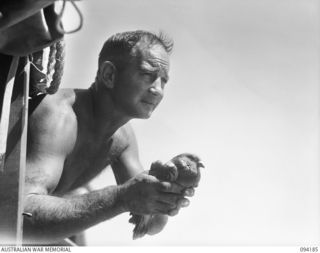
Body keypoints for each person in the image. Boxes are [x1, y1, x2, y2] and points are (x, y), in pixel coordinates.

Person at [23, 30, 199, 244]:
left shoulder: (122, 139)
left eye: (163, 81)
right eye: (147, 75)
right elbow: (21, 215)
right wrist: (120, 198)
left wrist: (166, 189)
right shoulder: (59, 116)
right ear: (109, 75)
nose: (158, 90)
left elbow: (149, 223)